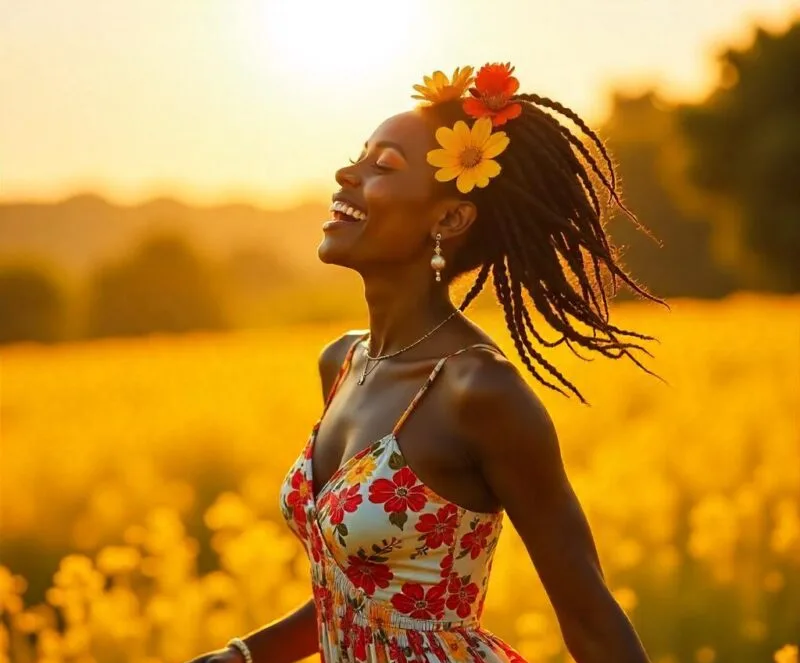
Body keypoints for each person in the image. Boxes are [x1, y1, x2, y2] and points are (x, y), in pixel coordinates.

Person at [192, 62, 664, 663]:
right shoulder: (342, 362)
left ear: (447, 218)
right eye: (359, 156)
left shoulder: (479, 392)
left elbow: (591, 617)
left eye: (382, 166)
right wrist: (244, 655)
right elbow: (360, 596)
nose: (346, 173)